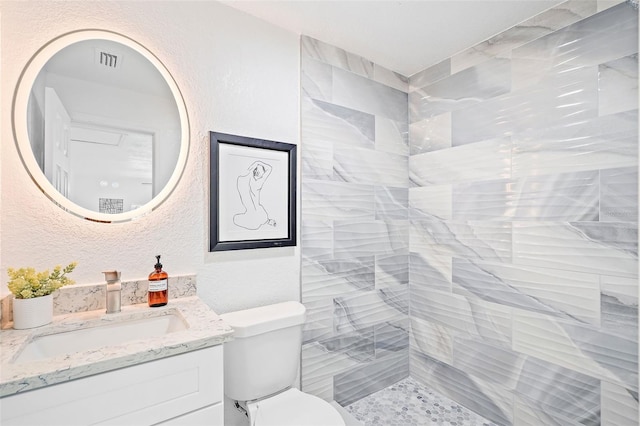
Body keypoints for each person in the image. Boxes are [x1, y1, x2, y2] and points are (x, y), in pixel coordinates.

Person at [233, 160, 276, 230]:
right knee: (236, 219)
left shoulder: (242, 179)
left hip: (256, 216)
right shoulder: (256, 183)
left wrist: (255, 164)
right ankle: (268, 221)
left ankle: (267, 221)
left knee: (235, 219)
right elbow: (269, 168)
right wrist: (257, 163)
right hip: (258, 215)